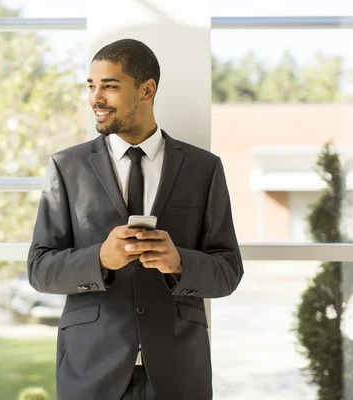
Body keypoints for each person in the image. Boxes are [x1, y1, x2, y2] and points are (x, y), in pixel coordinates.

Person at [27, 38, 243, 400]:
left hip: (178, 372)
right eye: (92, 86)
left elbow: (228, 270)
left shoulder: (204, 169)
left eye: (109, 86)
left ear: (147, 90)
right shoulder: (67, 168)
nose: (96, 98)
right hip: (90, 370)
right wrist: (99, 260)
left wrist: (179, 263)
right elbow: (39, 268)